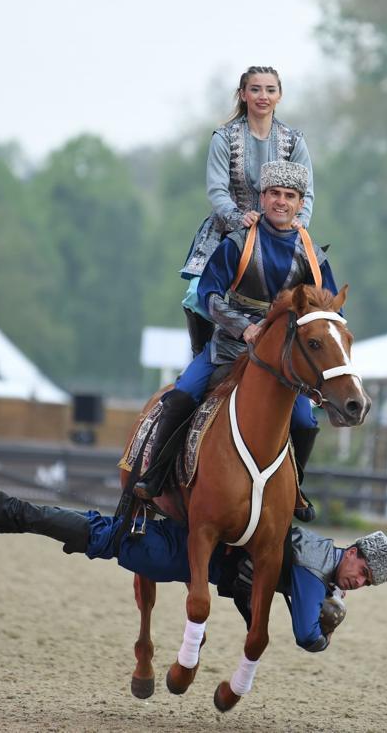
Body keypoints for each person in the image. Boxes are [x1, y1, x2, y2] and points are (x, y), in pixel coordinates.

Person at [134, 160, 335, 522]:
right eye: (274, 193)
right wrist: (244, 327)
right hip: (228, 346)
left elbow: (328, 308)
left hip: (281, 363)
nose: (281, 202)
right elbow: (209, 294)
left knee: (305, 422)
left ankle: (295, 489)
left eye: (289, 196)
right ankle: (156, 475)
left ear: (300, 203)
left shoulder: (312, 254)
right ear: (262, 196)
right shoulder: (237, 243)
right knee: (181, 396)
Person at [0, 489, 387, 652]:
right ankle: (12, 511)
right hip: (189, 557)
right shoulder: (314, 566)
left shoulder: (316, 558)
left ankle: (14, 513)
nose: (358, 585)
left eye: (366, 585)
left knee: (108, 535)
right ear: (354, 551)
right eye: (364, 575)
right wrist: (325, 635)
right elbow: (305, 634)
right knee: (109, 539)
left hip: (200, 552)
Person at [178, 66, 316, 357]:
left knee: (311, 300)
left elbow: (308, 193)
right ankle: (201, 359)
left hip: (278, 233)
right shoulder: (224, 137)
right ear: (243, 94)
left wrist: (298, 223)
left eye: (270, 89)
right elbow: (217, 190)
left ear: (279, 95)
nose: (262, 96)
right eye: (255, 89)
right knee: (195, 296)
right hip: (227, 230)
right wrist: (238, 217)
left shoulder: (294, 140)